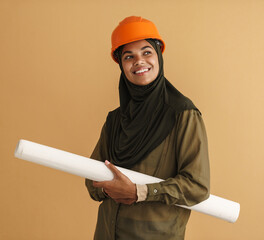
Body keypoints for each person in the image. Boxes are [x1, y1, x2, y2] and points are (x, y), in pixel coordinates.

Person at [85, 16, 210, 240]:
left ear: (159, 55)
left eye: (146, 52)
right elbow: (90, 178)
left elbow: (196, 186)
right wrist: (108, 188)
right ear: (121, 65)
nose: (139, 61)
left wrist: (139, 192)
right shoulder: (115, 120)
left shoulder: (182, 115)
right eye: (128, 56)